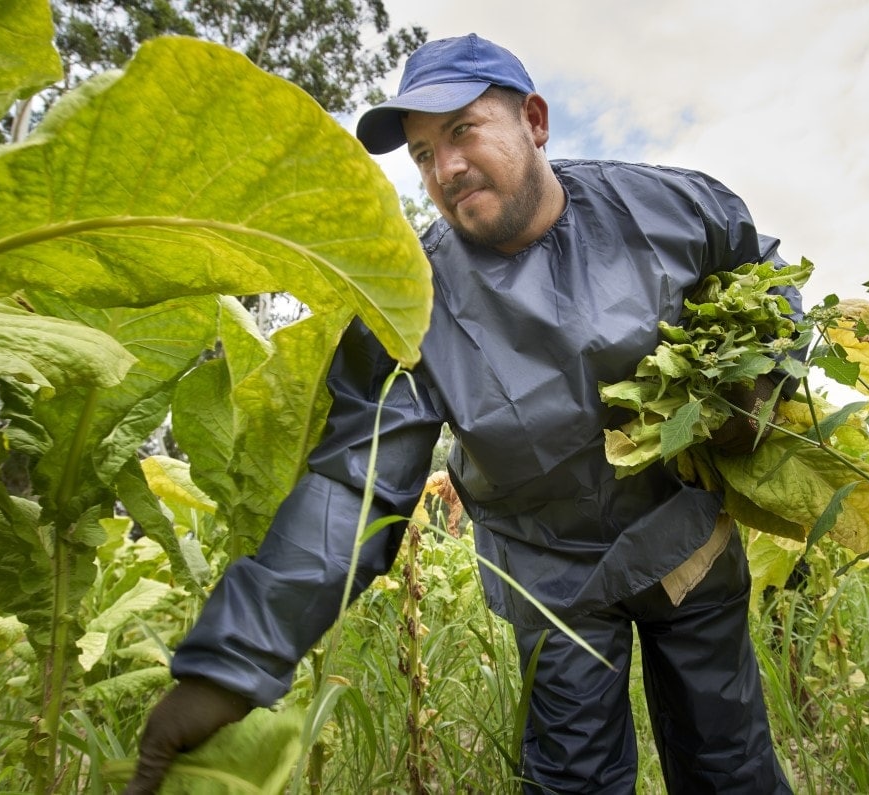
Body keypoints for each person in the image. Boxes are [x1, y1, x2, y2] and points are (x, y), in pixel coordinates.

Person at [127, 33, 798, 794]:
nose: (443, 169)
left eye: (461, 131)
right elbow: (356, 482)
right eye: (420, 153)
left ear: (535, 121)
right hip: (554, 571)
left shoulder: (666, 210)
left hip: (684, 540)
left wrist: (763, 380)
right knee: (571, 777)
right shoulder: (417, 303)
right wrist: (227, 668)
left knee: (728, 764)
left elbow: (763, 279)